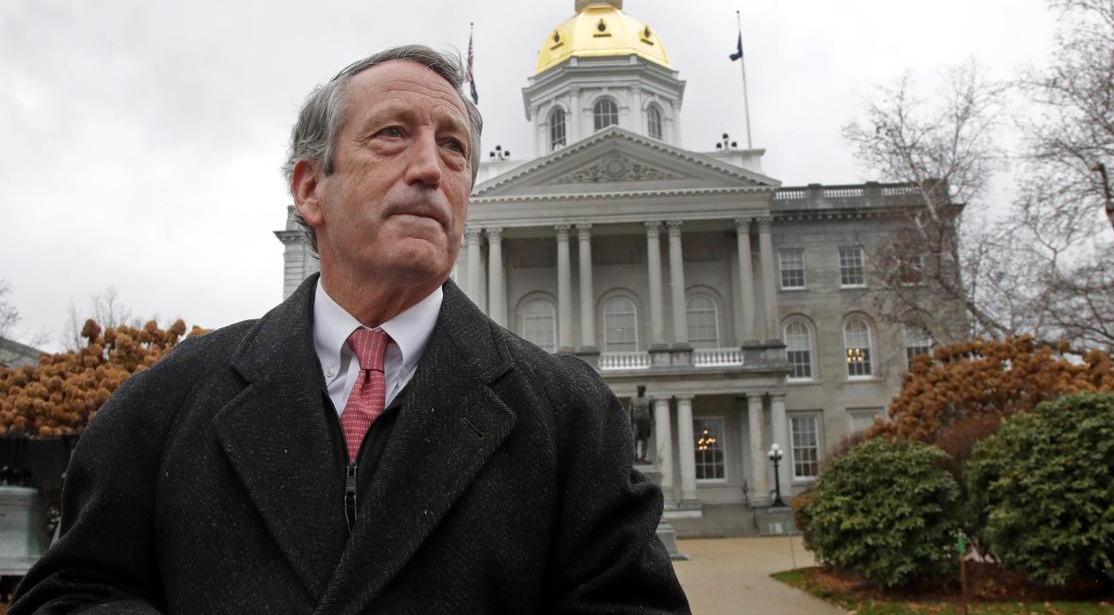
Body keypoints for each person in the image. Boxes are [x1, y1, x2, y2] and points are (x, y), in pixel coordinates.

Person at [10, 46, 690, 615]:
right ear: (310, 189)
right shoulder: (167, 401)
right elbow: (74, 592)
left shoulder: (569, 417)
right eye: (393, 134)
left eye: (454, 148)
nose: (430, 167)